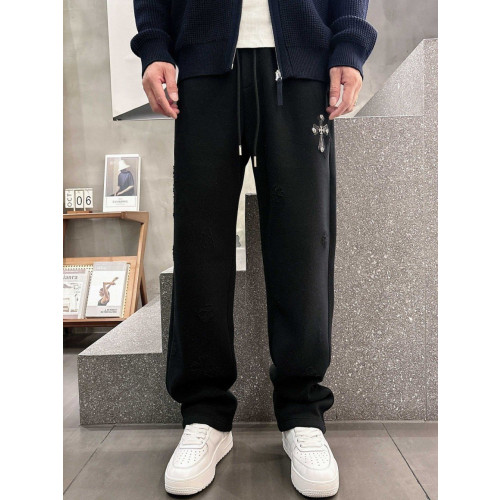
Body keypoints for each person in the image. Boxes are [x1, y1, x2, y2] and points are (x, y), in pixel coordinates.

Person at [131, 1, 376, 497]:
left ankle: (302, 413)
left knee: (304, 246)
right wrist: (154, 44)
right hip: (202, 64)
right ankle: (205, 415)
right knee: (199, 247)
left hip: (302, 63)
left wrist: (349, 44)